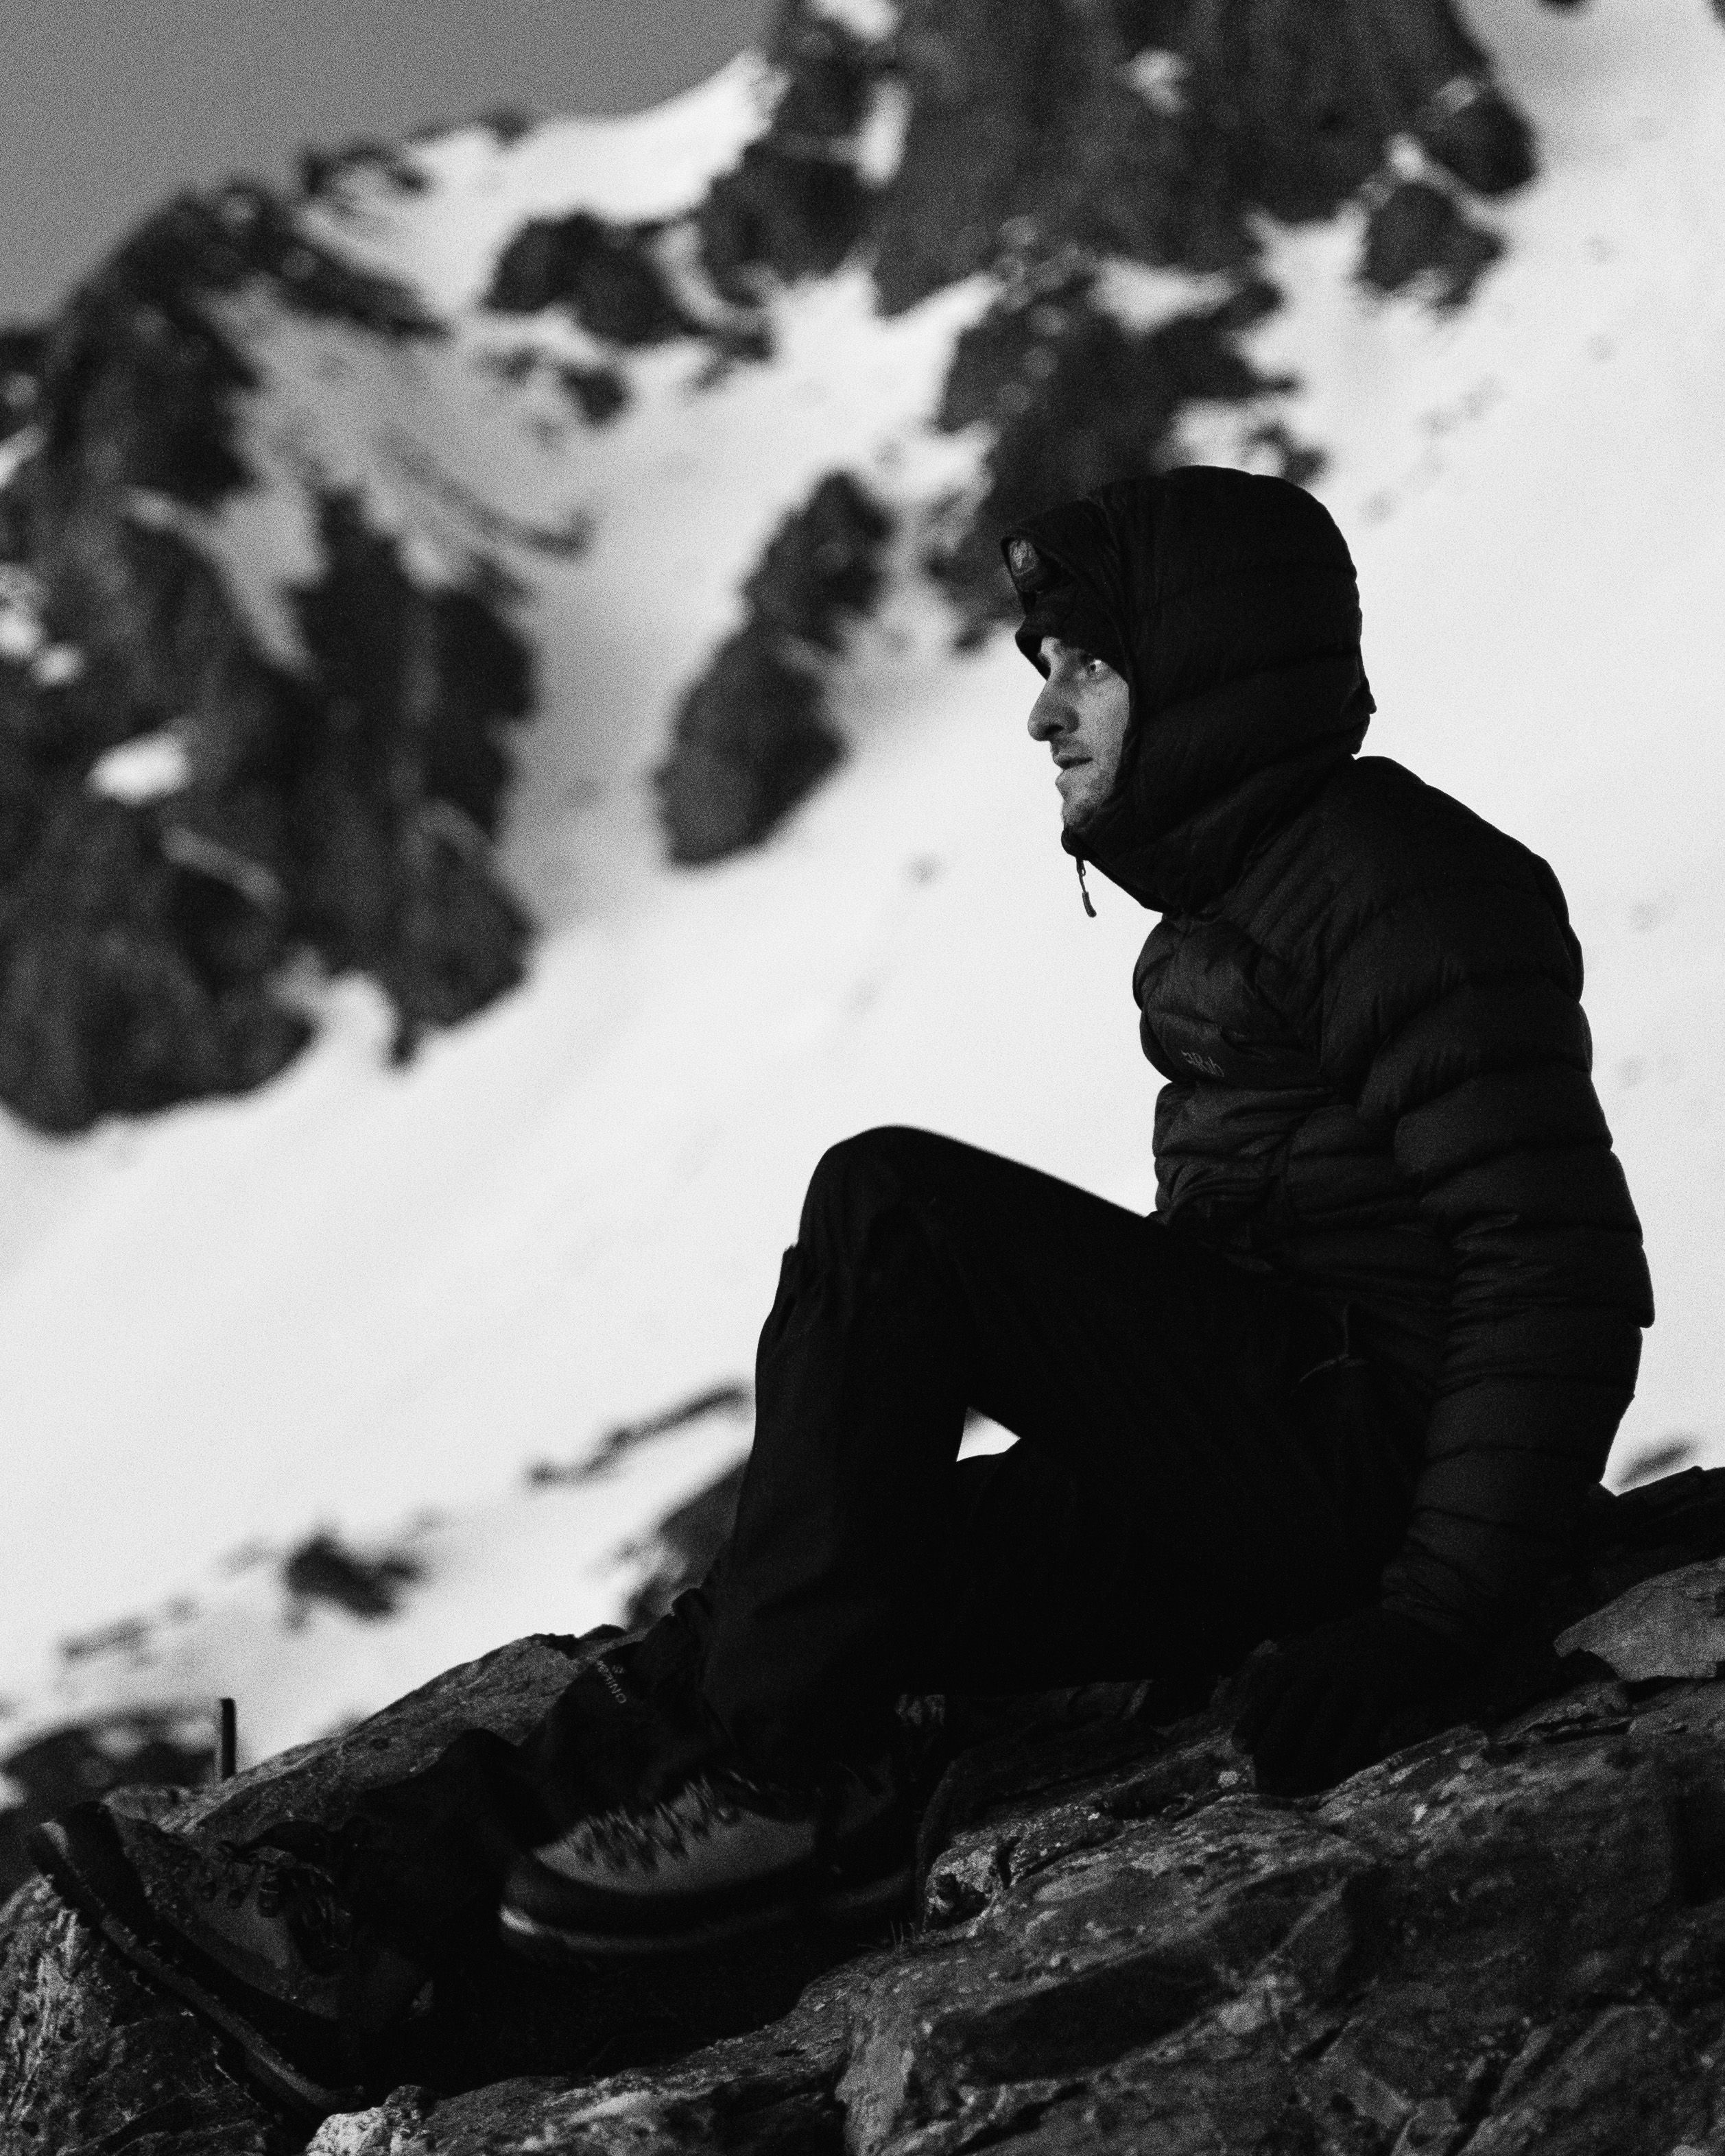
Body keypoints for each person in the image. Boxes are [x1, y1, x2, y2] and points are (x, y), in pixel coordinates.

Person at [34, 467, 1652, 2072]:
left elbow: (1551, 1261)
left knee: (894, 1212)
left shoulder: (1390, 876)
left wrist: (1425, 1621)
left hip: (1357, 1482)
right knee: (810, 1593)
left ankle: (772, 1791)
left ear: (1206, 665)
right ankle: (367, 1947)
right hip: (1285, 1470)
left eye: (1087, 665)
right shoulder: (1260, 897)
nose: (1044, 714)